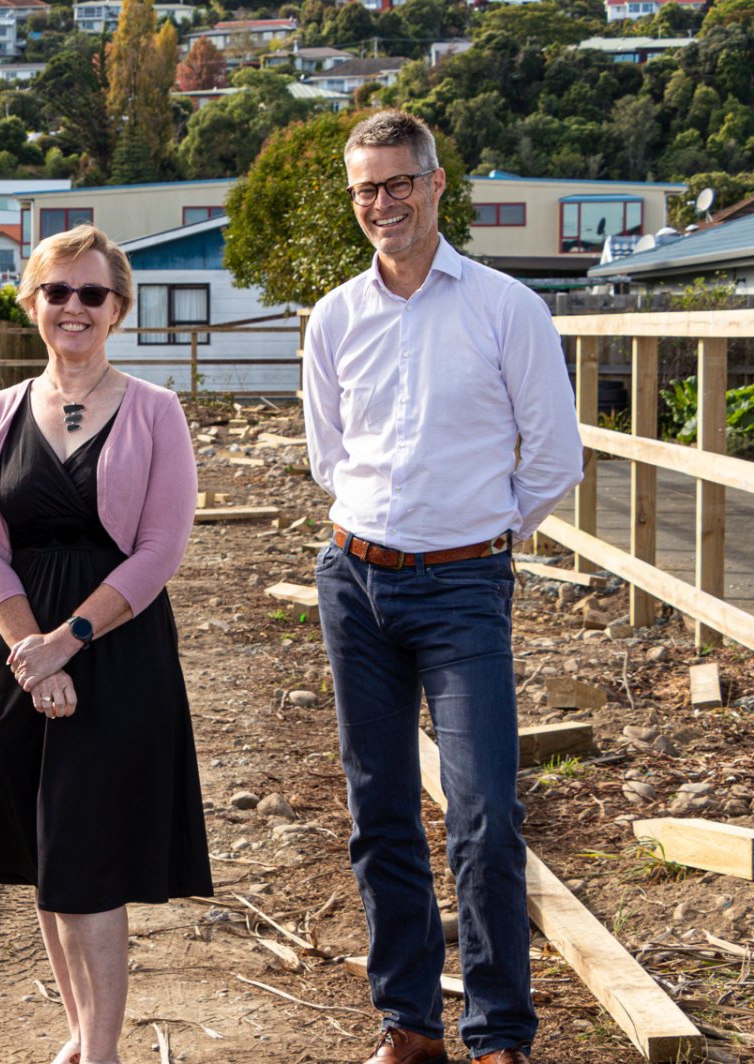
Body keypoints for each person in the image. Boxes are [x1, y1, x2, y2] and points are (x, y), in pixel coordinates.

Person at [303, 110, 583, 1064]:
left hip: (465, 587)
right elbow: (329, 454)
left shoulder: (507, 308)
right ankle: (411, 1024)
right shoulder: (334, 316)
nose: (380, 203)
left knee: (485, 813)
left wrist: (481, 533)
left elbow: (552, 459)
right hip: (355, 581)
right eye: (364, 189)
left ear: (435, 185)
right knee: (378, 808)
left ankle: (499, 1033)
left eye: (396, 184)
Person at [0, 223, 211, 1064]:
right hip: (19, 654)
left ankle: (101, 1052)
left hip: (116, 652)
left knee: (90, 855)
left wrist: (69, 642)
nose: (73, 307)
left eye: (91, 294)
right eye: (56, 291)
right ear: (31, 302)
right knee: (45, 853)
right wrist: (31, 652)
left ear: (118, 309)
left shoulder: (156, 411)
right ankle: (75, 1028)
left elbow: (161, 549)